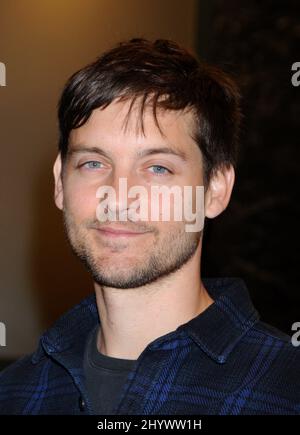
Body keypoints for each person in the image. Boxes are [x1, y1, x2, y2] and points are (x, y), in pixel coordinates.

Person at [0, 38, 299, 415]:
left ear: (216, 190)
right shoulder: (14, 395)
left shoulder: (286, 391)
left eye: (158, 168)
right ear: (60, 182)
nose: (118, 196)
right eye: (93, 163)